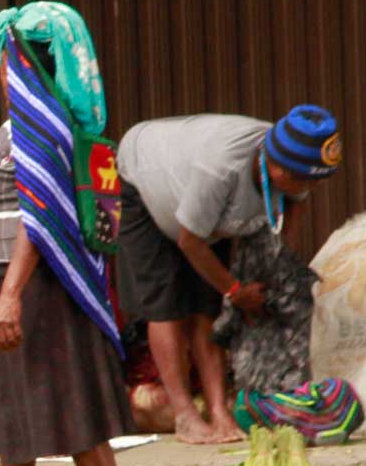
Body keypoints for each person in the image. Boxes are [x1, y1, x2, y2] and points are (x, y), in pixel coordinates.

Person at [0, 4, 152, 466]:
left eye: (4, 56)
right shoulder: (53, 118)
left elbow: (37, 214)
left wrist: (13, 296)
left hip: (34, 284)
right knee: (19, 400)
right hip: (25, 282)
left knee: (68, 401)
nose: (0, 69)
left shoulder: (38, 123)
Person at [116, 105, 340, 444]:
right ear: (273, 163)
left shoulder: (294, 164)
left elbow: (293, 206)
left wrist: (279, 266)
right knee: (166, 305)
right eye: (298, 178)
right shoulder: (220, 169)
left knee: (208, 309)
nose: (303, 185)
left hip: (201, 213)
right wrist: (235, 290)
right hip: (144, 179)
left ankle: (219, 412)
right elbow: (189, 241)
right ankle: (185, 416)